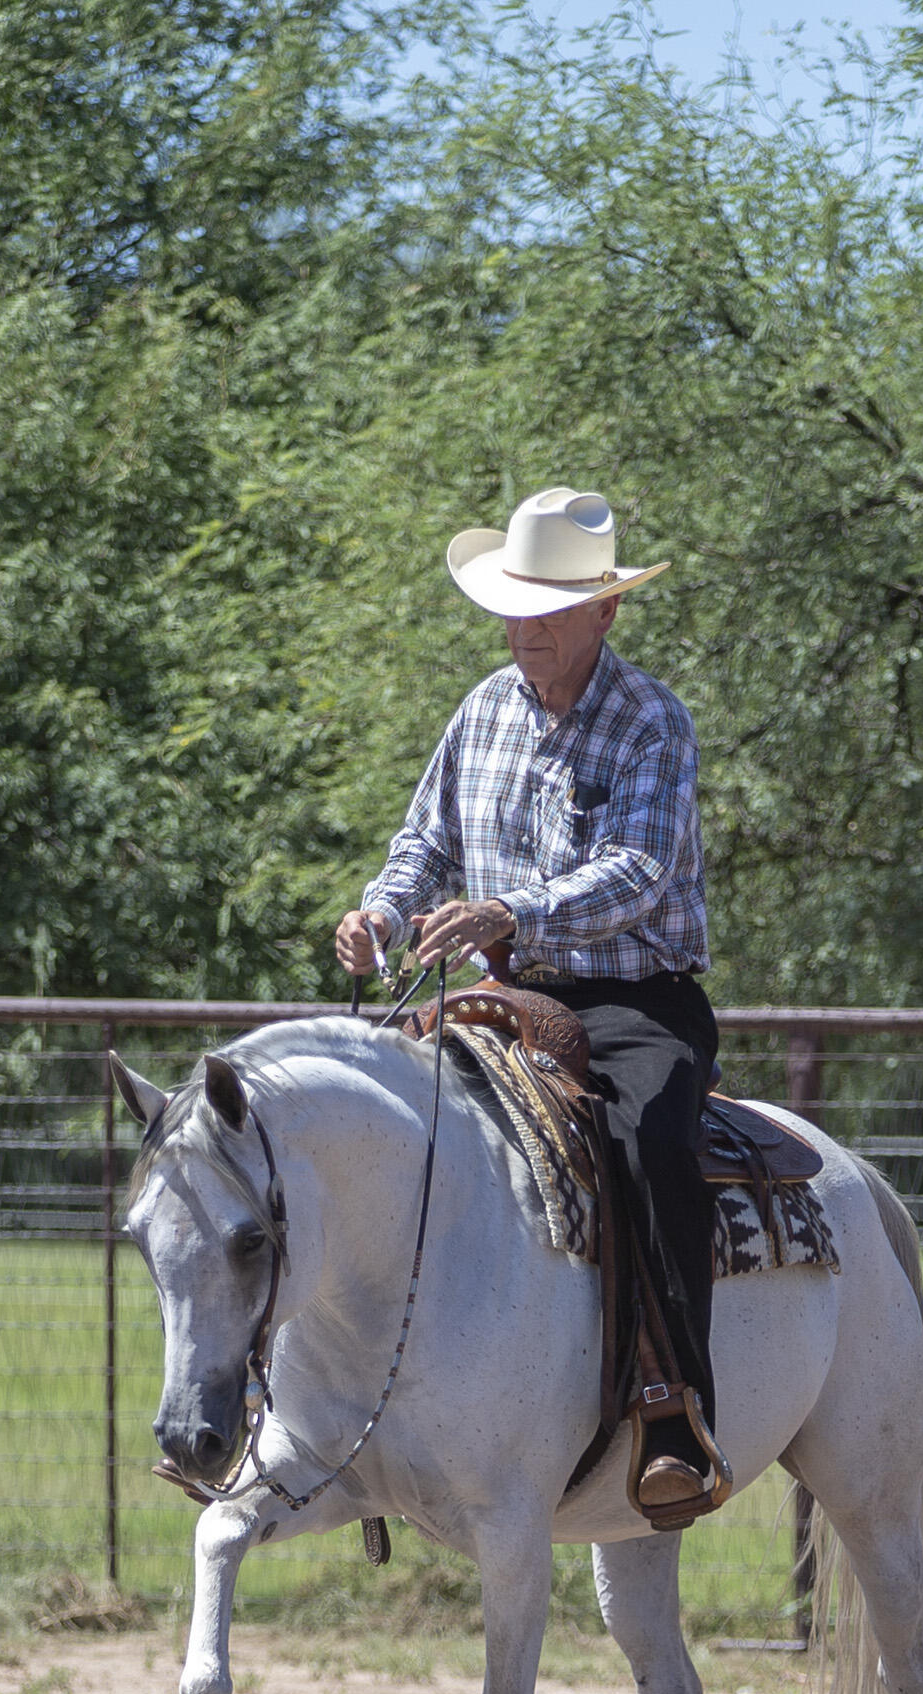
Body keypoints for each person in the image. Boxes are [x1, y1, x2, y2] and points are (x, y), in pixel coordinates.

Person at [334, 485, 725, 1524]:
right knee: (370, 1123)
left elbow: (638, 872)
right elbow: (422, 844)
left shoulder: (651, 723)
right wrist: (380, 913)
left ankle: (674, 1402)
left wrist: (511, 911)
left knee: (645, 1140)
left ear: (604, 612)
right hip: (500, 994)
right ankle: (360, 1401)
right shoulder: (482, 710)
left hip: (635, 1001)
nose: (523, 631)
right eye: (514, 607)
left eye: (547, 611)